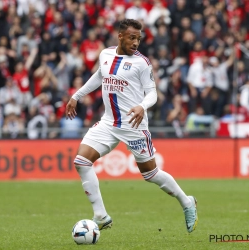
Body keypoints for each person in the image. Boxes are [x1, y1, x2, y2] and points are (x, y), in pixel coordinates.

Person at [65, 19, 198, 233]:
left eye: (139, 38)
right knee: (81, 161)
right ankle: (100, 215)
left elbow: (153, 93)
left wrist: (142, 106)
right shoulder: (106, 54)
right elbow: (100, 76)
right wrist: (76, 95)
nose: (136, 42)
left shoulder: (142, 63)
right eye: (132, 37)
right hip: (109, 122)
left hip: (133, 124)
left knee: (151, 174)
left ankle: (187, 202)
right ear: (120, 36)